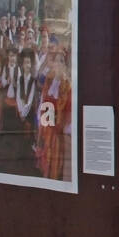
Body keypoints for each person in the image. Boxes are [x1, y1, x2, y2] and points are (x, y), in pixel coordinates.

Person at [36, 47, 72, 181]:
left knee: (54, 168)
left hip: (57, 134)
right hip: (46, 131)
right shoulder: (49, 82)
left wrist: (59, 127)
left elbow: (68, 114)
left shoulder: (67, 87)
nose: (58, 64)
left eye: (61, 61)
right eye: (56, 61)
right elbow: (42, 103)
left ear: (65, 65)